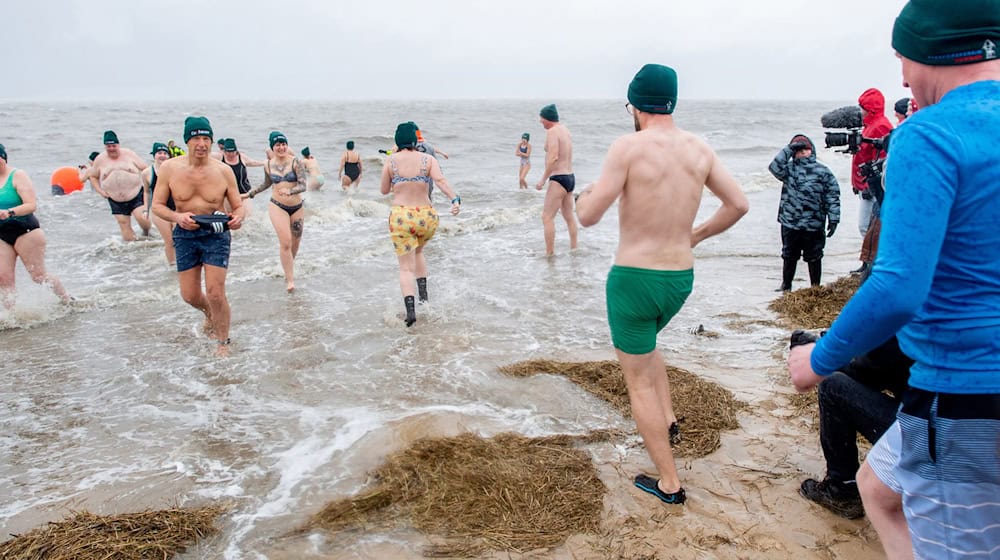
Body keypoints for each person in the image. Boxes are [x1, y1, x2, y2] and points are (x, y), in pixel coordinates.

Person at [788, 2, 1000, 558]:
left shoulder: (930, 134)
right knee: (877, 490)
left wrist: (818, 359)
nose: (903, 77)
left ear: (930, 53)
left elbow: (897, 287)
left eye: (902, 60)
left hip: (965, 395)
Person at [575, 64, 748, 505]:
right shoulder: (699, 148)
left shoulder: (628, 146)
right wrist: (697, 235)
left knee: (638, 384)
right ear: (671, 101)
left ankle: (669, 482)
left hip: (634, 278)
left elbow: (589, 215)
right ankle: (668, 418)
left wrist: (582, 196)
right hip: (679, 279)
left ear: (634, 104)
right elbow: (738, 204)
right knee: (649, 346)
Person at [151, 117, 244, 357]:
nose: (201, 144)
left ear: (212, 142)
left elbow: (238, 206)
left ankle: (223, 342)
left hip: (216, 233)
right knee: (190, 295)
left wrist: (237, 218)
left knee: (215, 292)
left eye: (206, 139)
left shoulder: (223, 171)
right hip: (185, 233)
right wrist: (177, 217)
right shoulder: (170, 169)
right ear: (187, 141)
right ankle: (210, 314)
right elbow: (157, 206)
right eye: (196, 138)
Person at [797, 334, 913, 519]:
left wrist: (817, 353)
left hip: (929, 437)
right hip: (968, 435)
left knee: (832, 385)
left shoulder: (907, 320)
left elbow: (866, 373)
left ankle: (842, 490)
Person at [379, 122, 461, 327]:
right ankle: (424, 299)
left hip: (401, 217)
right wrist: (454, 199)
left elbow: (383, 190)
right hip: (427, 217)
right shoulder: (428, 159)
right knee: (419, 253)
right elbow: (440, 181)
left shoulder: (391, 161)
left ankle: (411, 313)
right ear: (415, 140)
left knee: (405, 268)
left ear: (397, 141)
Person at [0, 143, 72, 309]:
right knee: (3, 278)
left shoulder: (17, 175)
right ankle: (11, 317)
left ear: (3, 158)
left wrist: (9, 212)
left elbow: (31, 205)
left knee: (38, 276)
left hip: (26, 231)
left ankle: (67, 300)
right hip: (2, 234)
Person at [768, 134, 840, 291]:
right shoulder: (788, 170)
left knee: (814, 256)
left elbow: (832, 195)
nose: (802, 153)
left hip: (813, 223)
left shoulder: (823, 171)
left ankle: (815, 286)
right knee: (789, 255)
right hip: (790, 221)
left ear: (811, 151)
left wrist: (834, 218)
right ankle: (786, 285)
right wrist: (788, 149)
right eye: (798, 150)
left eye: (805, 149)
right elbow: (774, 167)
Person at [242, 131, 307, 292]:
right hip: (277, 205)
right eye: (278, 144)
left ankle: (288, 268)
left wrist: (291, 192)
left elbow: (303, 185)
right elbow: (266, 184)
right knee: (285, 241)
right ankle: (290, 280)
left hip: (296, 206)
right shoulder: (268, 165)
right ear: (272, 147)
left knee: (295, 242)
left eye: (284, 144)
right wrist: (250, 194)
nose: (281, 147)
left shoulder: (295, 162)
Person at [849, 88, 893, 275]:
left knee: (868, 225)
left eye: (863, 107)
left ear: (871, 108)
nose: (861, 111)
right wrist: (856, 183)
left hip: (872, 183)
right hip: (864, 181)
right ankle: (867, 261)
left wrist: (868, 184)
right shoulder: (869, 125)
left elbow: (882, 159)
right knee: (867, 226)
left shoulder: (881, 126)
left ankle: (872, 263)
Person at [81, 130, 152, 241]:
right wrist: (100, 191)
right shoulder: (100, 159)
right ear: (105, 146)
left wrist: (150, 186)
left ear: (118, 145)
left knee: (143, 219)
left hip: (136, 193)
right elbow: (93, 176)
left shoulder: (129, 154)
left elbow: (146, 169)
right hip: (115, 198)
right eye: (108, 146)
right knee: (124, 225)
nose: (112, 148)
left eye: (114, 146)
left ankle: (147, 234)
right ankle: (133, 251)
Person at [535, 104, 579, 256]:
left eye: (542, 118)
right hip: (570, 177)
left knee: (547, 217)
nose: (540, 121)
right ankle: (574, 249)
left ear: (548, 118)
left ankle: (549, 254)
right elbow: (550, 149)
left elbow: (553, 157)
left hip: (558, 178)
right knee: (569, 216)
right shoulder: (565, 130)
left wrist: (542, 179)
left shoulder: (553, 131)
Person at [141, 142, 177, 265]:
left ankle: (183, 263)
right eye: (159, 153)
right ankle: (172, 265)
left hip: (176, 208)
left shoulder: (175, 169)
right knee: (169, 240)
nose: (162, 155)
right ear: (154, 155)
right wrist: (145, 209)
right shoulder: (146, 173)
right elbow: (146, 192)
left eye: (165, 153)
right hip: (158, 210)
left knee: (180, 238)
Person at [221, 138, 265, 216]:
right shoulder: (219, 158)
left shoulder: (242, 157)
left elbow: (253, 162)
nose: (231, 154)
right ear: (224, 151)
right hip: (227, 195)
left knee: (248, 216)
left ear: (236, 150)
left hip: (244, 193)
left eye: (233, 152)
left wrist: (266, 163)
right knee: (229, 217)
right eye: (228, 152)